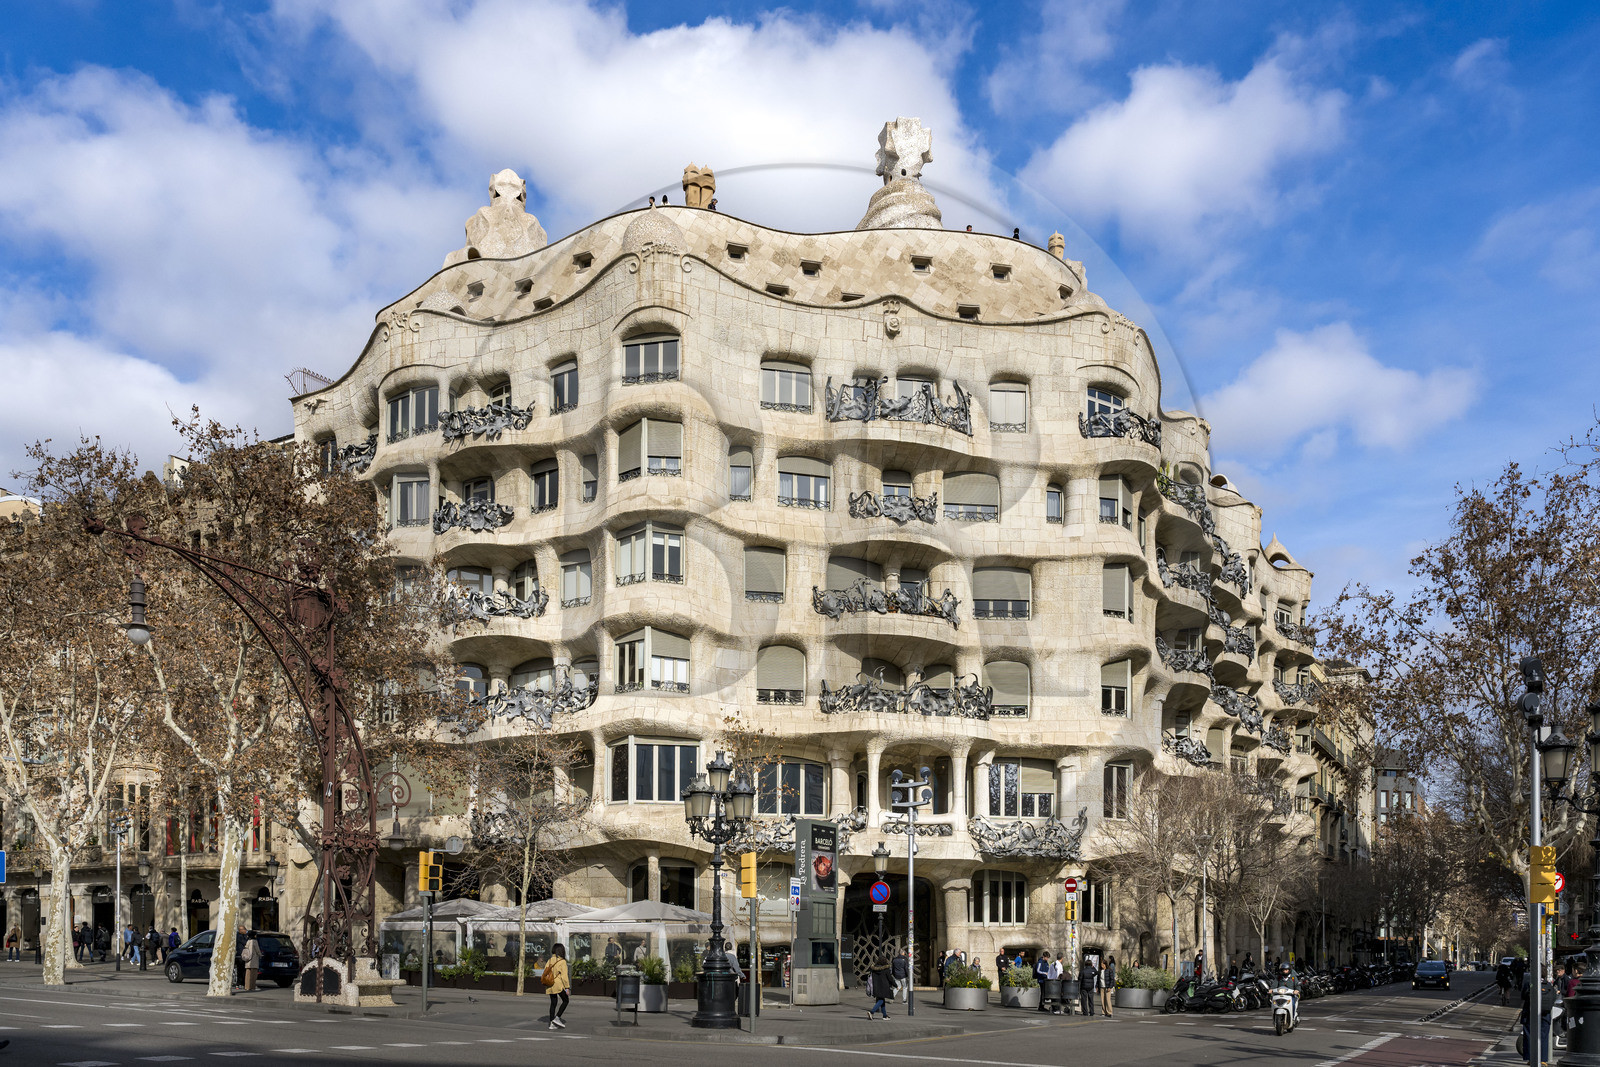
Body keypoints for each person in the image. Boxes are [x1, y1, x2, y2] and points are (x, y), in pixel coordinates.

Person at [542, 943, 570, 1030]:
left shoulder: (550, 960)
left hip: (550, 984)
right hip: (558, 984)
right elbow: (564, 976)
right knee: (566, 1000)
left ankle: (551, 1023)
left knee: (553, 1003)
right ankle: (557, 1018)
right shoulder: (562, 961)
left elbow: (546, 971)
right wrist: (567, 987)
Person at [867, 953, 893, 1020]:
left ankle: (885, 1015)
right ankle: (872, 1012)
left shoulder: (874, 969)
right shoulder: (886, 969)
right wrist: (895, 985)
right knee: (881, 1000)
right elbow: (890, 978)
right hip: (884, 987)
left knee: (881, 1000)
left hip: (876, 987)